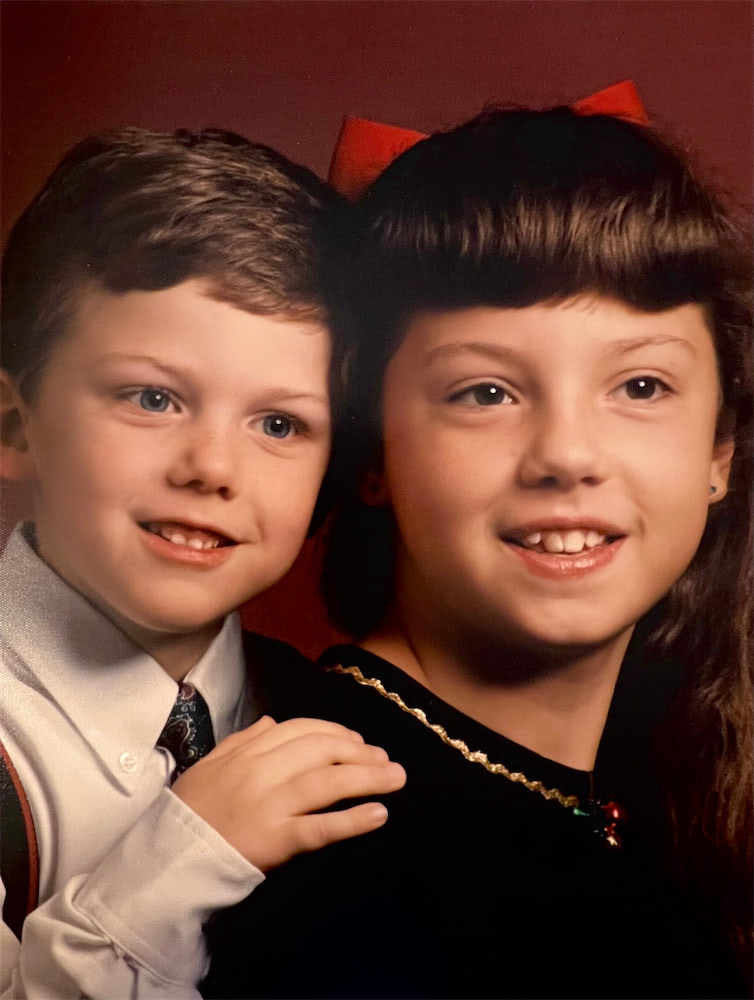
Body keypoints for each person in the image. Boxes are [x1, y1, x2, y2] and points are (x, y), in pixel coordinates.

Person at [201, 102, 752, 999]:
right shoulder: (333, 857)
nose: (567, 455)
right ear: (373, 454)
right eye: (486, 392)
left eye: (641, 385)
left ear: (720, 451)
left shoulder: (666, 767)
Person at [0, 127, 406, 998]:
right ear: (13, 426)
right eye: (153, 398)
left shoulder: (321, 710)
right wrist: (186, 856)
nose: (213, 468)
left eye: (279, 424)